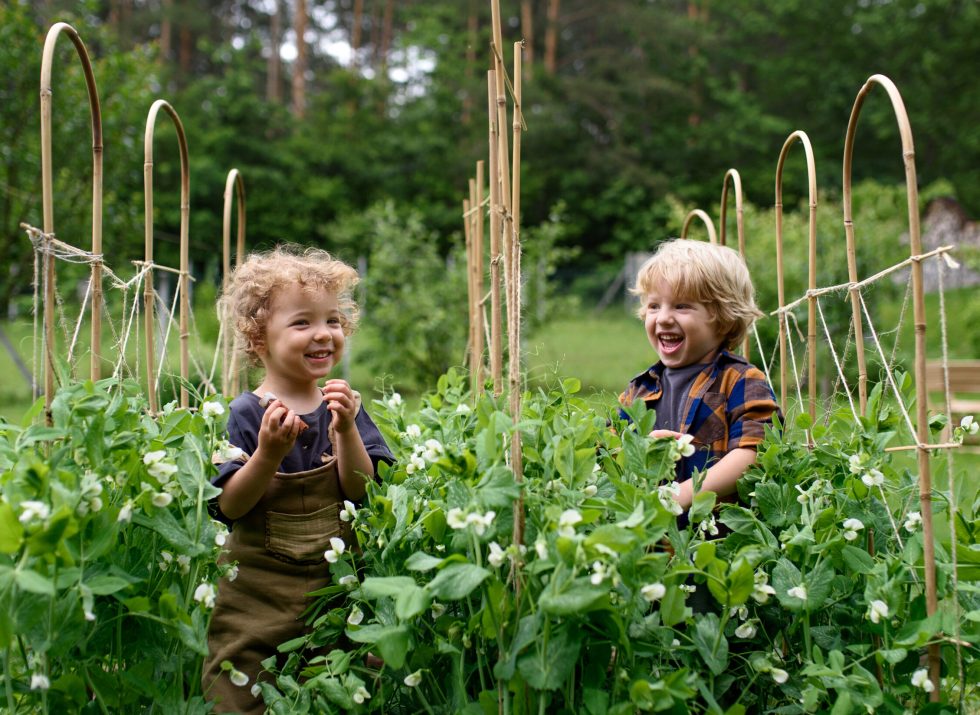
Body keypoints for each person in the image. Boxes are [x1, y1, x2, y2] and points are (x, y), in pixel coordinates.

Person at [203, 245, 393, 713]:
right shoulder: (245, 415)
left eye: (333, 320)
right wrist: (267, 454)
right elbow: (229, 506)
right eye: (302, 322)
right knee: (241, 693)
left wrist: (346, 429)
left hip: (335, 600)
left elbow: (361, 490)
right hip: (256, 605)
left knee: (339, 692)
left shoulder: (344, 405)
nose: (323, 334)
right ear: (258, 337)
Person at [618, 239, 779, 527]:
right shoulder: (639, 390)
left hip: (718, 541)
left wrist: (682, 494)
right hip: (653, 540)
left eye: (681, 306)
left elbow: (752, 455)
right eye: (654, 305)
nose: (664, 318)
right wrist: (639, 448)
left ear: (724, 320)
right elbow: (610, 453)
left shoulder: (741, 382)